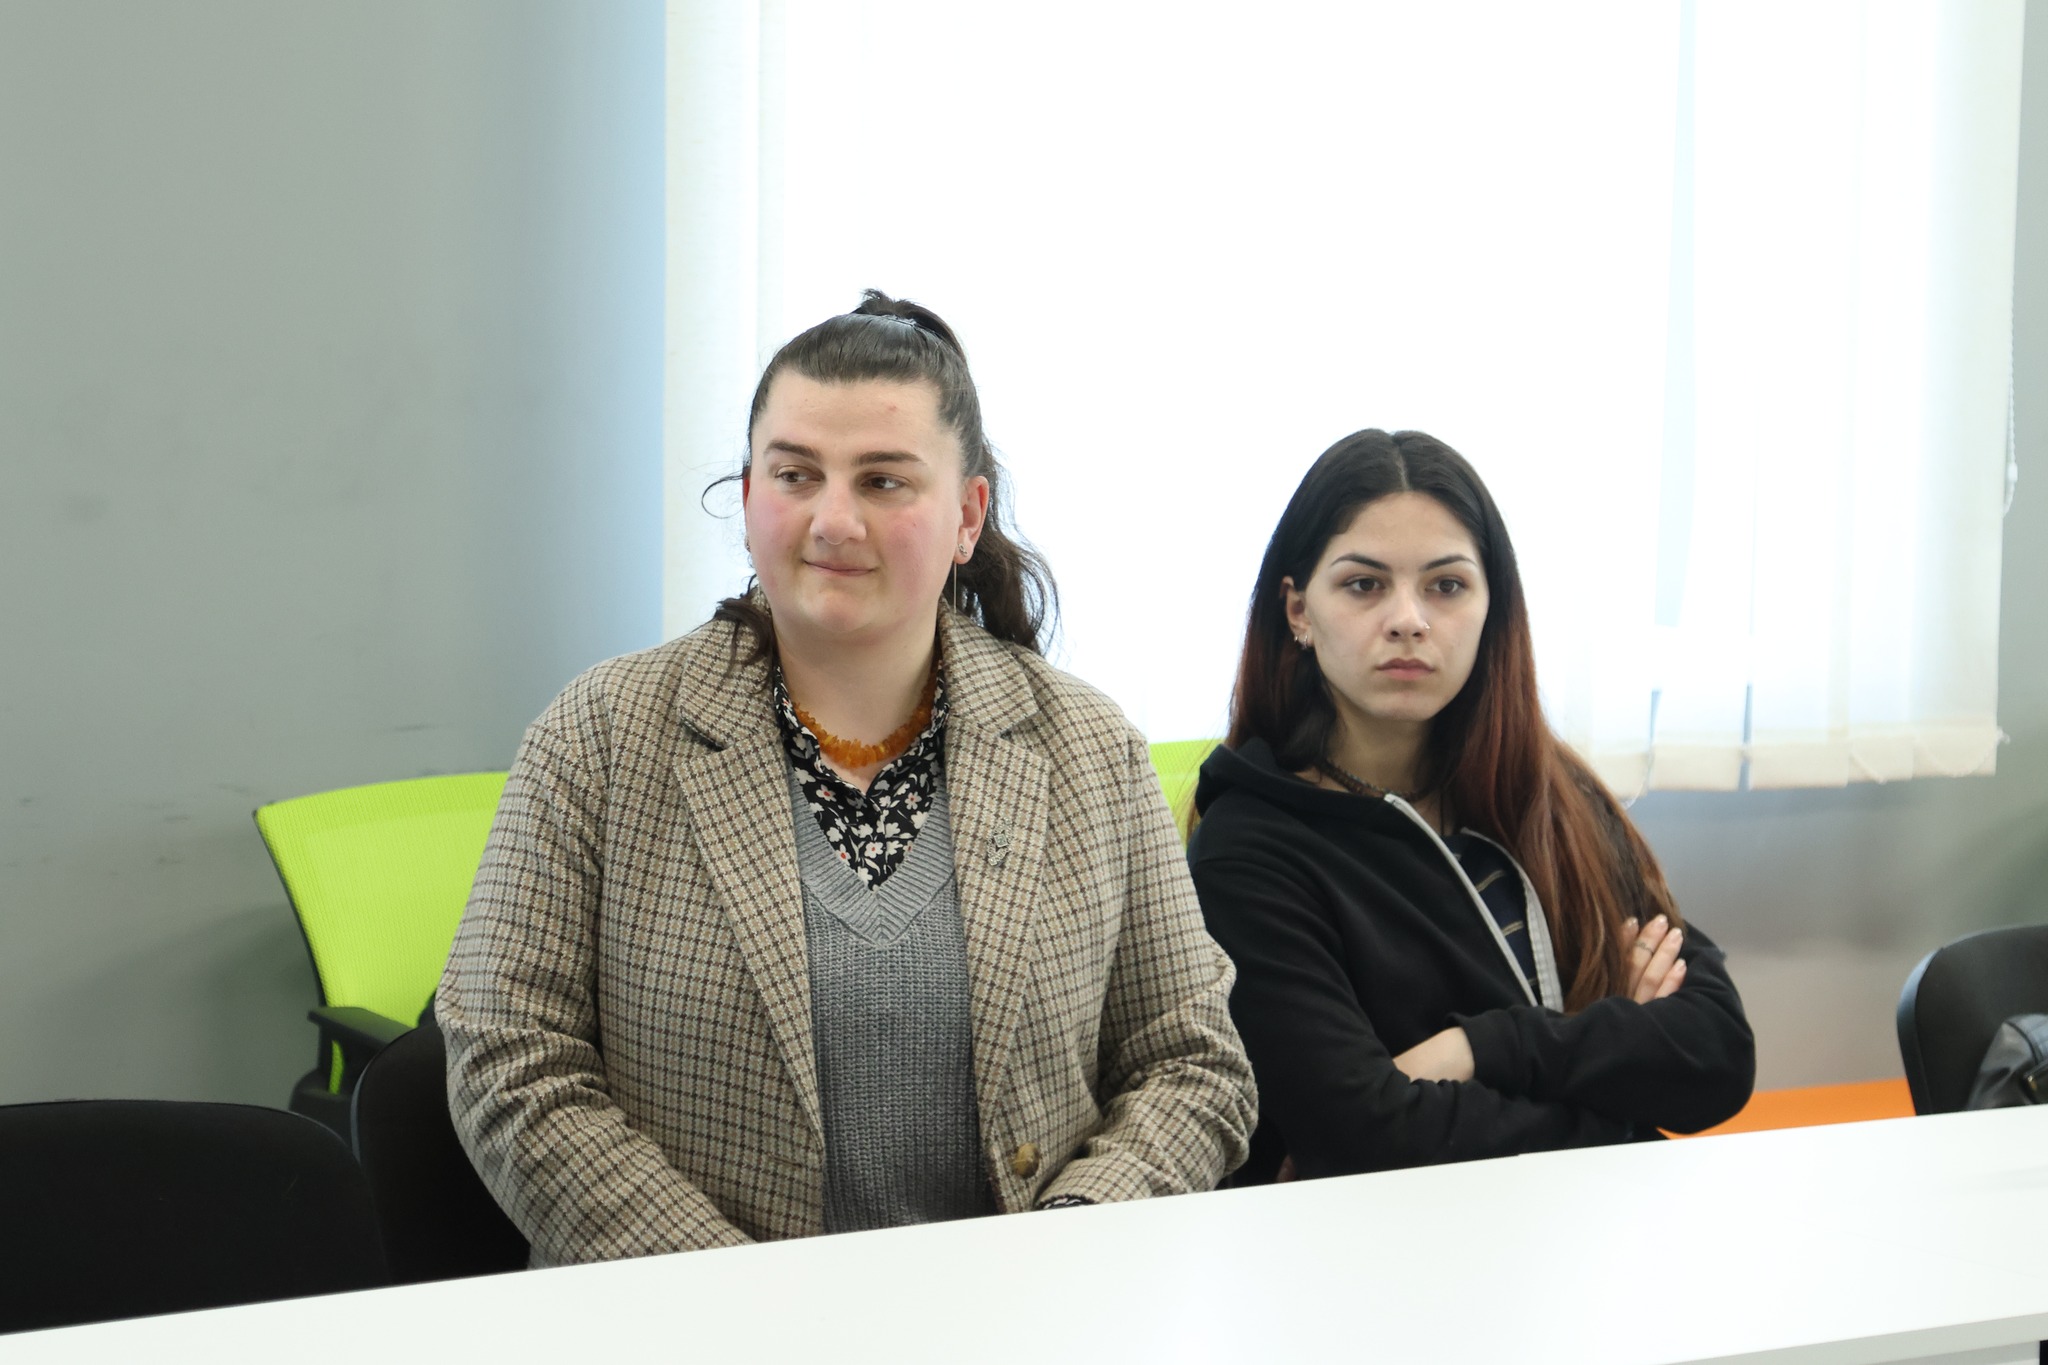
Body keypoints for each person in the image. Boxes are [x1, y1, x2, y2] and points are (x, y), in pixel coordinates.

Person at [438, 291, 1256, 1265]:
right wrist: (737, 1296)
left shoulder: (1087, 747)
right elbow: (511, 1056)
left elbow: (1191, 1062)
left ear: (966, 515)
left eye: (883, 481)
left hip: (1016, 1315)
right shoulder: (603, 735)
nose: (832, 520)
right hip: (691, 1321)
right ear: (750, 497)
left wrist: (1065, 1244)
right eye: (796, 475)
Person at [1190, 428, 1752, 1182]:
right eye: (1364, 585)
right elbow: (1368, 1137)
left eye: (1446, 586)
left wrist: (1479, 1049)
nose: (1408, 619)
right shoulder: (1247, 848)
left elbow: (1716, 1054)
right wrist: (1615, 1073)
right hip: (1382, 1246)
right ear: (1298, 610)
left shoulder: (1549, 791)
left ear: (1492, 608)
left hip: (1595, 1223)